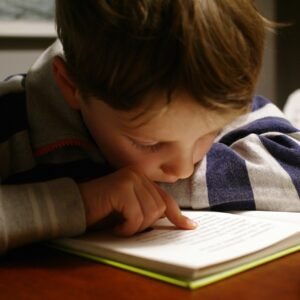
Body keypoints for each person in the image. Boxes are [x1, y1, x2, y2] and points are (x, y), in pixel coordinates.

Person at [0, 0, 299, 254]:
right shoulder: (11, 118)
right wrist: (81, 201)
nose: (183, 169)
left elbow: (294, 169)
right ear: (71, 86)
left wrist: (154, 190)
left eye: (210, 132)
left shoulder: (213, 94)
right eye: (149, 143)